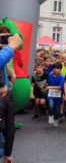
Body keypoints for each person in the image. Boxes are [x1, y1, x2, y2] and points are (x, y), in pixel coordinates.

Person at [0, 33, 22, 163]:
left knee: (10, 126)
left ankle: (7, 154)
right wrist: (11, 46)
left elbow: (3, 63)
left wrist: (11, 73)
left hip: (6, 95)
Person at [46, 62, 65, 127]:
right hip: (50, 94)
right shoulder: (49, 75)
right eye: (54, 68)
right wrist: (45, 86)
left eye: (57, 68)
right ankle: (51, 115)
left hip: (58, 95)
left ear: (60, 69)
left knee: (57, 110)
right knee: (51, 105)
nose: (55, 70)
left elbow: (60, 86)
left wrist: (50, 87)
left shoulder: (61, 77)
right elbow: (47, 82)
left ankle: (56, 118)